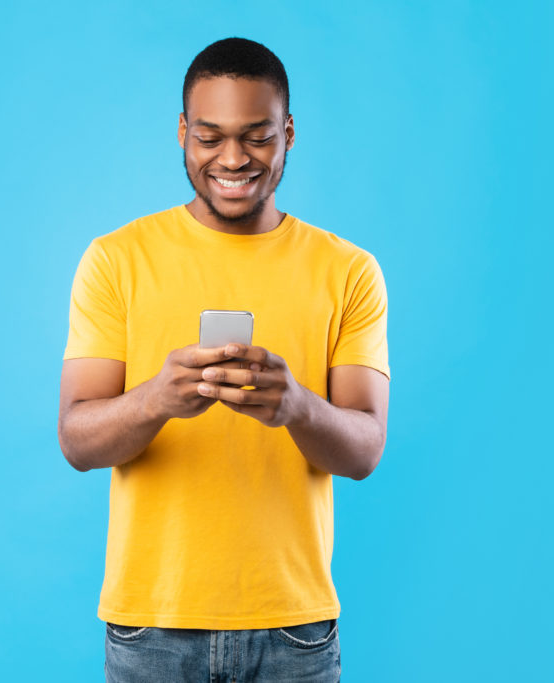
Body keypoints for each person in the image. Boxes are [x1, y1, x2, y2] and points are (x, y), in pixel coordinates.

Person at [58, 37, 390, 683]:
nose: (233, 158)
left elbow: (364, 452)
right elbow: (77, 440)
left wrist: (296, 407)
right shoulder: (116, 259)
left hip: (294, 626)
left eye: (257, 136)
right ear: (183, 132)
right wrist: (156, 398)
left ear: (288, 133)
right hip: (151, 621)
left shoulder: (349, 271)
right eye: (209, 136)